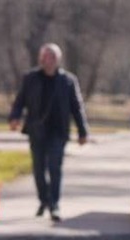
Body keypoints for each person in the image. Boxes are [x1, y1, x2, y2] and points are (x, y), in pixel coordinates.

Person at [8, 43, 88, 222]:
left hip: (58, 132)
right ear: (40, 59)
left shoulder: (68, 80)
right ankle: (44, 200)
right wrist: (14, 117)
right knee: (38, 169)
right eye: (44, 57)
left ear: (58, 60)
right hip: (37, 131)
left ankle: (54, 205)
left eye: (51, 57)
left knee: (55, 168)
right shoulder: (30, 78)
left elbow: (77, 107)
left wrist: (83, 131)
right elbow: (20, 101)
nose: (47, 61)